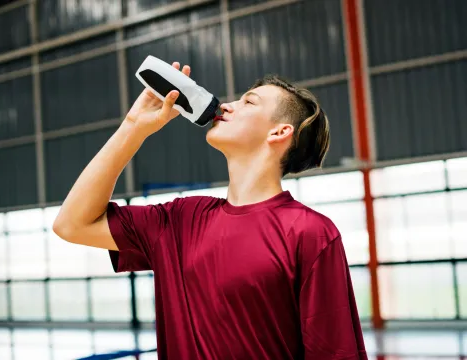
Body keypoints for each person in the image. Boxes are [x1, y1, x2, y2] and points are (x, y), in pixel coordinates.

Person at [53, 61, 368, 360]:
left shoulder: (310, 232)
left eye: (249, 102)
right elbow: (72, 224)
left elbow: (335, 351)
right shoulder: (179, 220)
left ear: (279, 133)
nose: (228, 105)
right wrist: (134, 127)